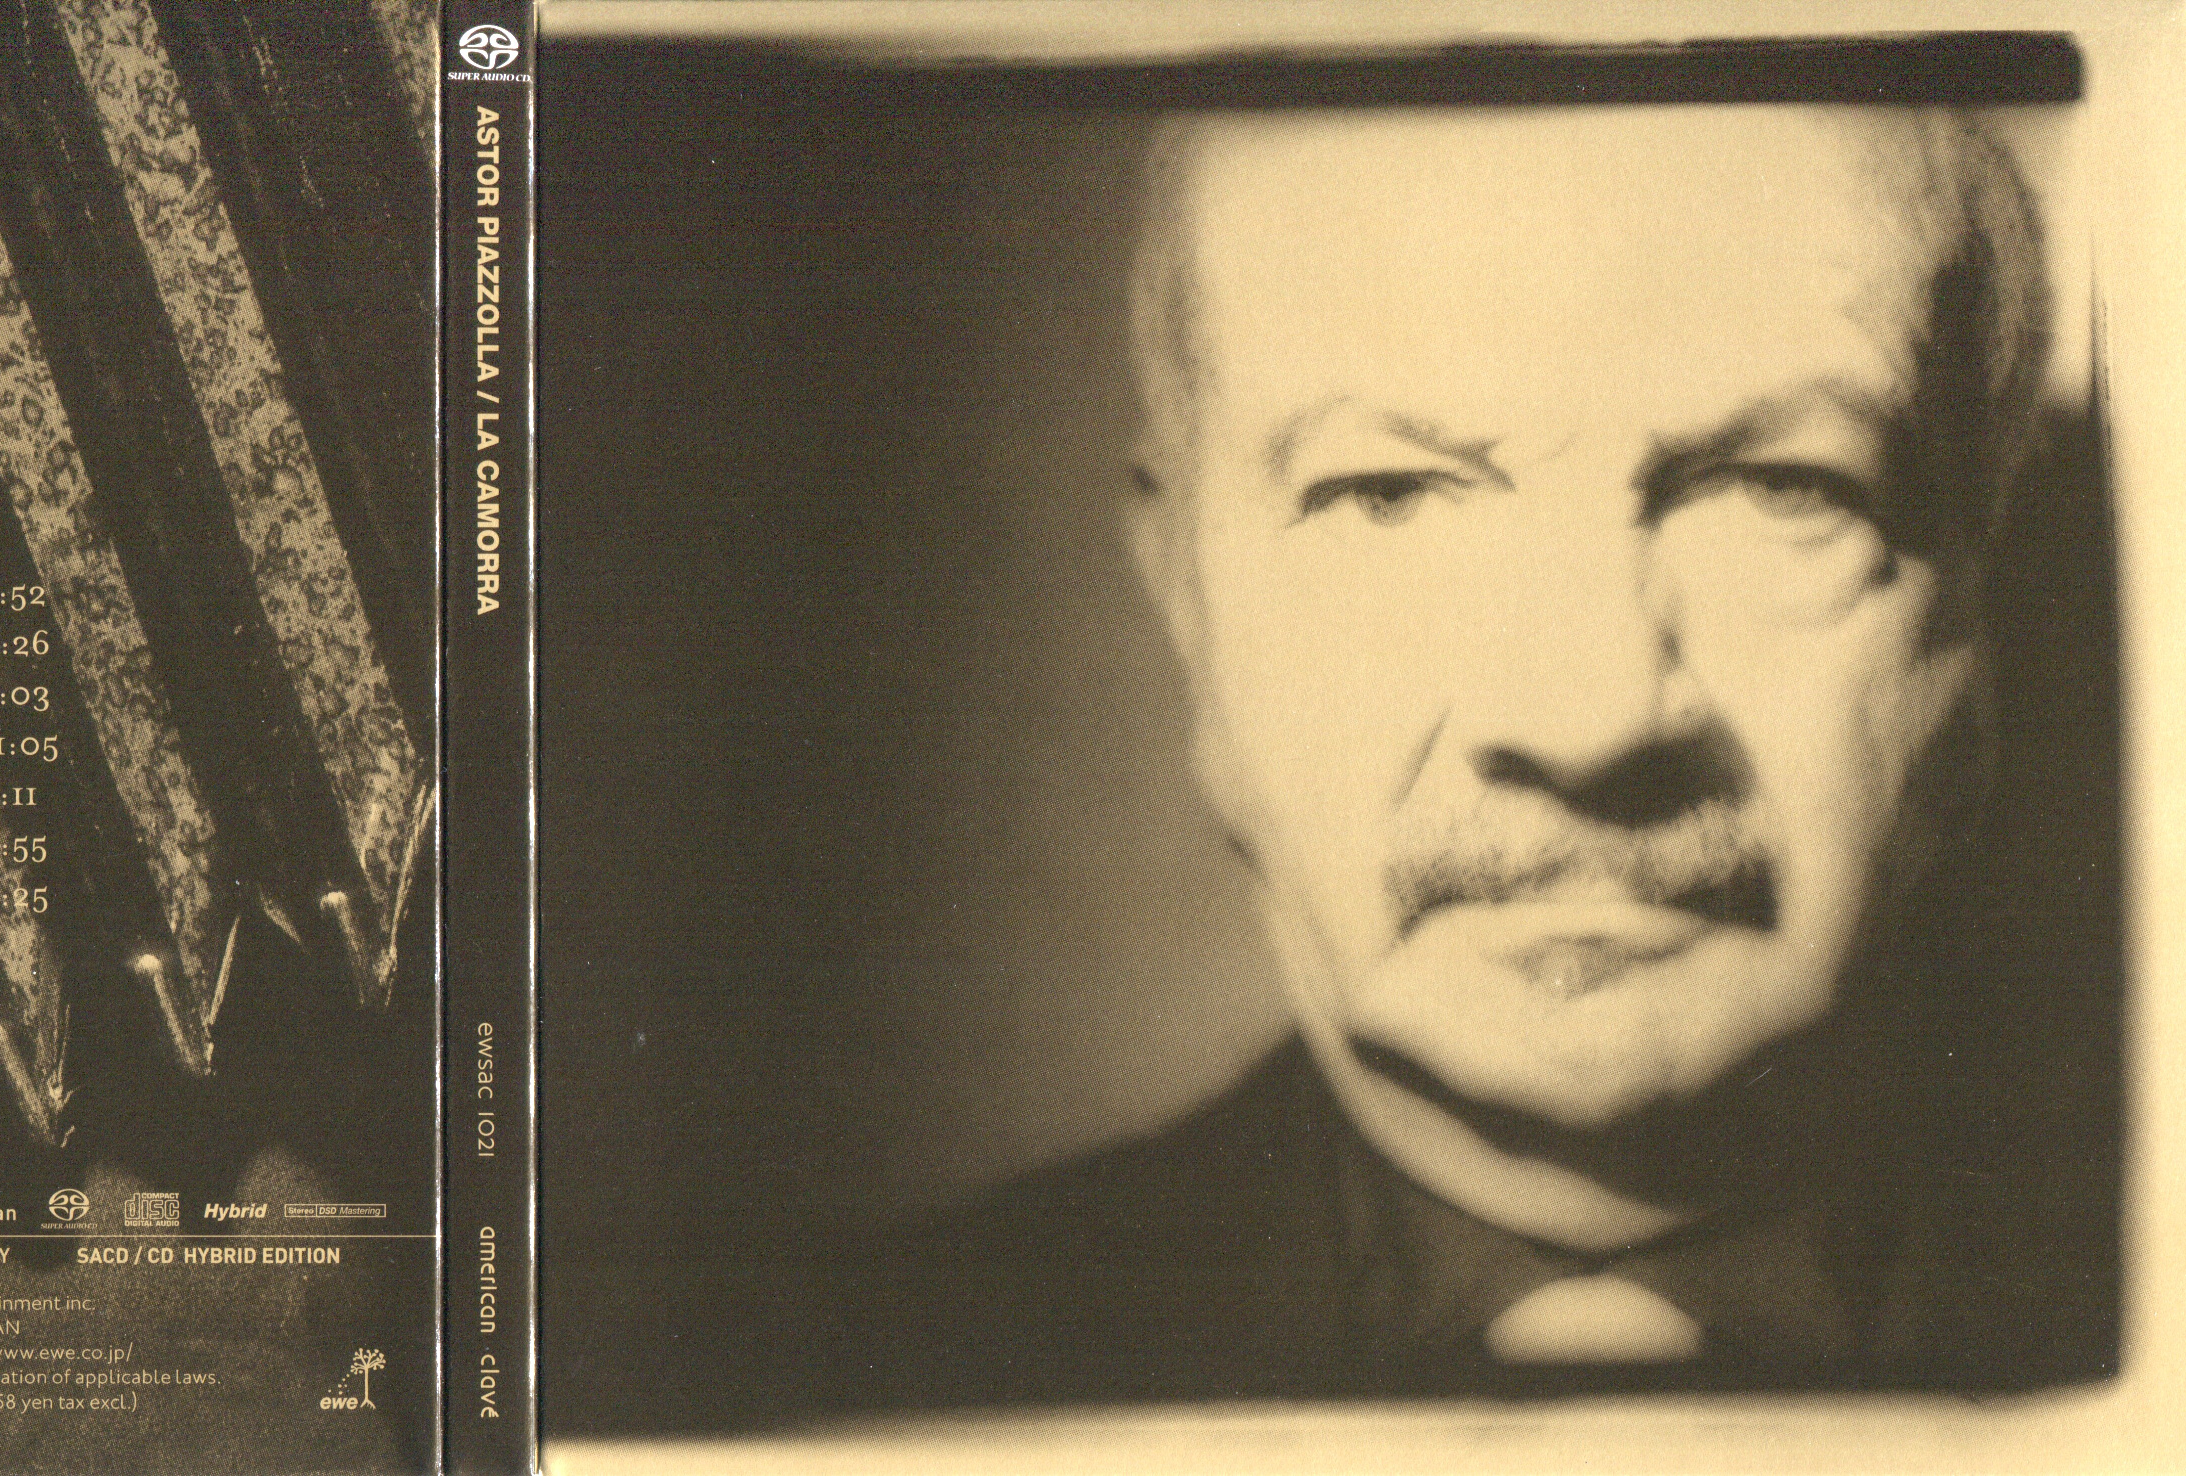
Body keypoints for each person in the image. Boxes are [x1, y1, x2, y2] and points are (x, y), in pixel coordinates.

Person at [851, 106, 2116, 1403]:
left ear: (1977, 622)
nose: (1590, 723)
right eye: (1388, 494)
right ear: (1185, 598)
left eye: (1779, 487)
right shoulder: (873, 1379)